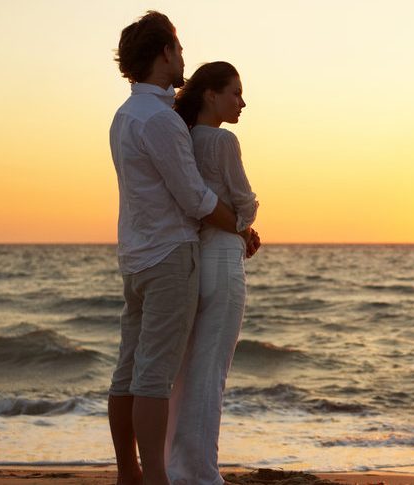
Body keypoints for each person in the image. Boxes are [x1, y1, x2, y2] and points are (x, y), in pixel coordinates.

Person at [108, 12, 258, 485]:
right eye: (177, 46)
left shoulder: (124, 116)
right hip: (170, 256)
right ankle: (155, 477)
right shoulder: (161, 122)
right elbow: (193, 197)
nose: (183, 56)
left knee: (128, 371)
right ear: (164, 53)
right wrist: (240, 226)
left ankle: (128, 473)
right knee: (154, 377)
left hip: (134, 255)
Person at [165, 61, 258, 485]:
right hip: (223, 262)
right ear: (211, 95)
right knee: (211, 374)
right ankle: (200, 474)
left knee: (187, 373)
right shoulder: (223, 140)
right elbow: (244, 204)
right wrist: (247, 223)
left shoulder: (182, 138)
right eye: (235, 92)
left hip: (195, 260)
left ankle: (179, 467)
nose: (242, 101)